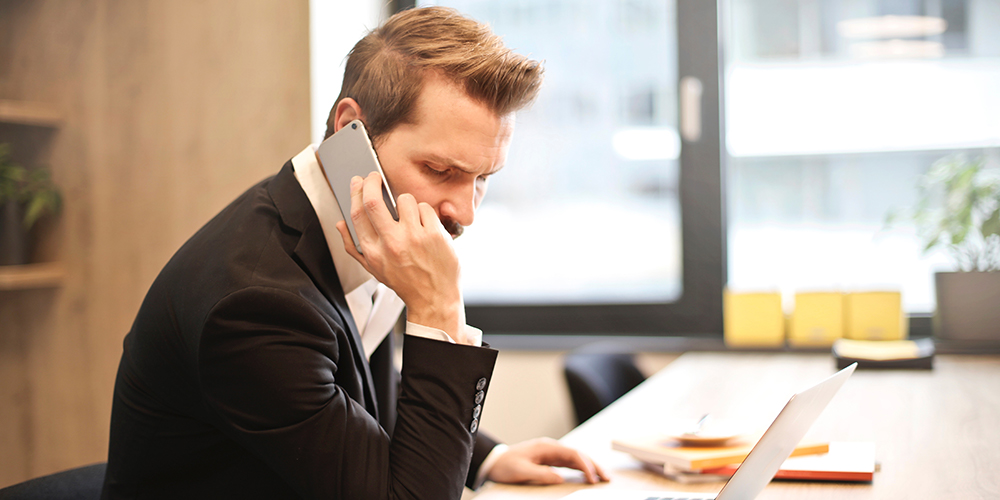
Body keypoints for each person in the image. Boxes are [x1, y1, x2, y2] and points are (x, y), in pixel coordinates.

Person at [101, 6, 607, 500]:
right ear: (350, 130)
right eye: (439, 170)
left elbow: (357, 391)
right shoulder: (255, 306)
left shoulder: (348, 224)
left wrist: (487, 458)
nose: (466, 212)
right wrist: (439, 311)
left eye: (482, 178)